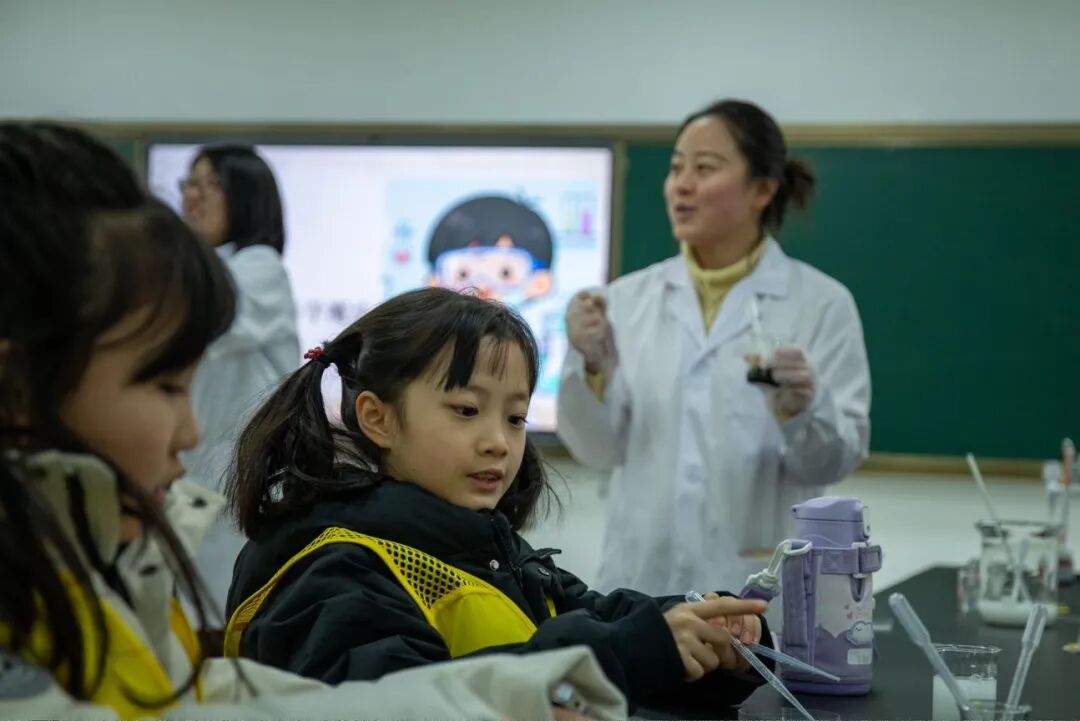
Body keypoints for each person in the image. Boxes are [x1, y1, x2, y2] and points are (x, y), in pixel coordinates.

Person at [0, 121, 624, 721]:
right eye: (165, 385)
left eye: (516, 417)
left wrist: (513, 699)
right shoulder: (335, 564)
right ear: (18, 386)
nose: (189, 431)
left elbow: (210, 703)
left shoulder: (101, 576)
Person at [223, 286, 772, 714]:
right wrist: (630, 651)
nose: (499, 442)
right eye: (467, 410)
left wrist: (700, 630)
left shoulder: (479, 543)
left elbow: (593, 616)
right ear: (377, 418)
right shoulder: (333, 568)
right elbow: (408, 702)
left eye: (515, 417)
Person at [557, 99, 872, 597]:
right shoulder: (625, 302)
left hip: (759, 590)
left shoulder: (821, 305)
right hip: (643, 585)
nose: (681, 185)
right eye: (676, 167)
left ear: (763, 189)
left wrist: (803, 412)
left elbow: (832, 463)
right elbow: (594, 450)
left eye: (704, 168)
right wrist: (592, 364)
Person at [178, 144, 301, 621]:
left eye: (208, 185)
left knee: (223, 615)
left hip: (232, 481)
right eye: (189, 183)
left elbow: (203, 318)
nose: (192, 196)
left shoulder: (258, 266)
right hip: (192, 477)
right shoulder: (208, 267)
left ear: (246, 196)